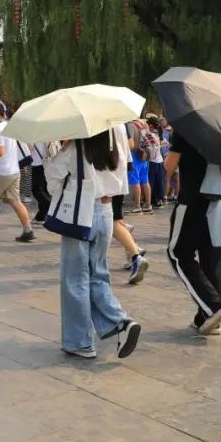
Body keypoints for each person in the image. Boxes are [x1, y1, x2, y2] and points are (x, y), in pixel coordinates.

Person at [46, 130, 142, 359]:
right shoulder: (116, 140)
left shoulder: (76, 146)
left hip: (81, 213)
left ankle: (82, 340)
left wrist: (59, 152)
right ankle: (120, 323)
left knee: (75, 279)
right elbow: (122, 180)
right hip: (106, 211)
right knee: (97, 274)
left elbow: (53, 180)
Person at [164, 129, 221, 336]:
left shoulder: (187, 127)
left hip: (191, 199)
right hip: (217, 200)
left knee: (178, 253)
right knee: (211, 256)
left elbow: (170, 165)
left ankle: (213, 307)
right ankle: (207, 318)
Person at [0, 102, 35, 242]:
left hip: (0, 173)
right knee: (15, 201)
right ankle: (28, 229)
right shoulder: (8, 126)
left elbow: (0, 151)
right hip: (13, 171)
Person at [110, 124, 150, 284]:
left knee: (109, 221)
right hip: (119, 172)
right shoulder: (122, 122)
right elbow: (130, 145)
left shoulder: (105, 122)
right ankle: (132, 248)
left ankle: (134, 254)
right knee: (113, 219)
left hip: (107, 176)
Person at [127, 119, 153, 214]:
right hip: (144, 155)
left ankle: (137, 206)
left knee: (135, 181)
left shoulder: (130, 125)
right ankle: (148, 205)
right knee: (145, 180)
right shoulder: (144, 123)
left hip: (135, 155)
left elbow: (132, 145)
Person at [144, 115, 166, 208]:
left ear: (150, 125)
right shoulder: (158, 133)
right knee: (159, 181)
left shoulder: (149, 134)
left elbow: (151, 148)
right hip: (159, 160)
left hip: (152, 161)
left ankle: (152, 200)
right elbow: (165, 143)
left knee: (151, 181)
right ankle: (160, 199)